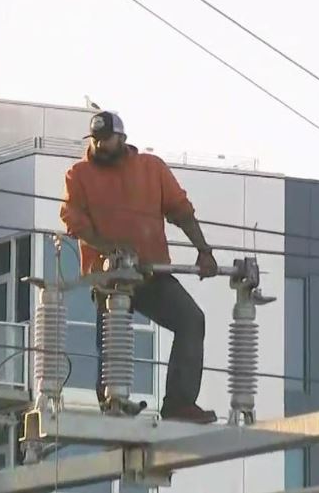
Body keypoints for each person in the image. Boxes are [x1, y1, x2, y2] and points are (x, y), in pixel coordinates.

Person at [59, 110, 219, 424]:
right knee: (113, 334)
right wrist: (108, 249)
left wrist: (204, 251)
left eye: (107, 139)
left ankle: (179, 404)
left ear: (123, 138)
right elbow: (73, 221)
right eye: (96, 140)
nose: (100, 146)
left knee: (192, 320)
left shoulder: (150, 168)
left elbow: (180, 210)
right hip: (108, 277)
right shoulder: (79, 174)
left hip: (151, 272)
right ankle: (113, 403)